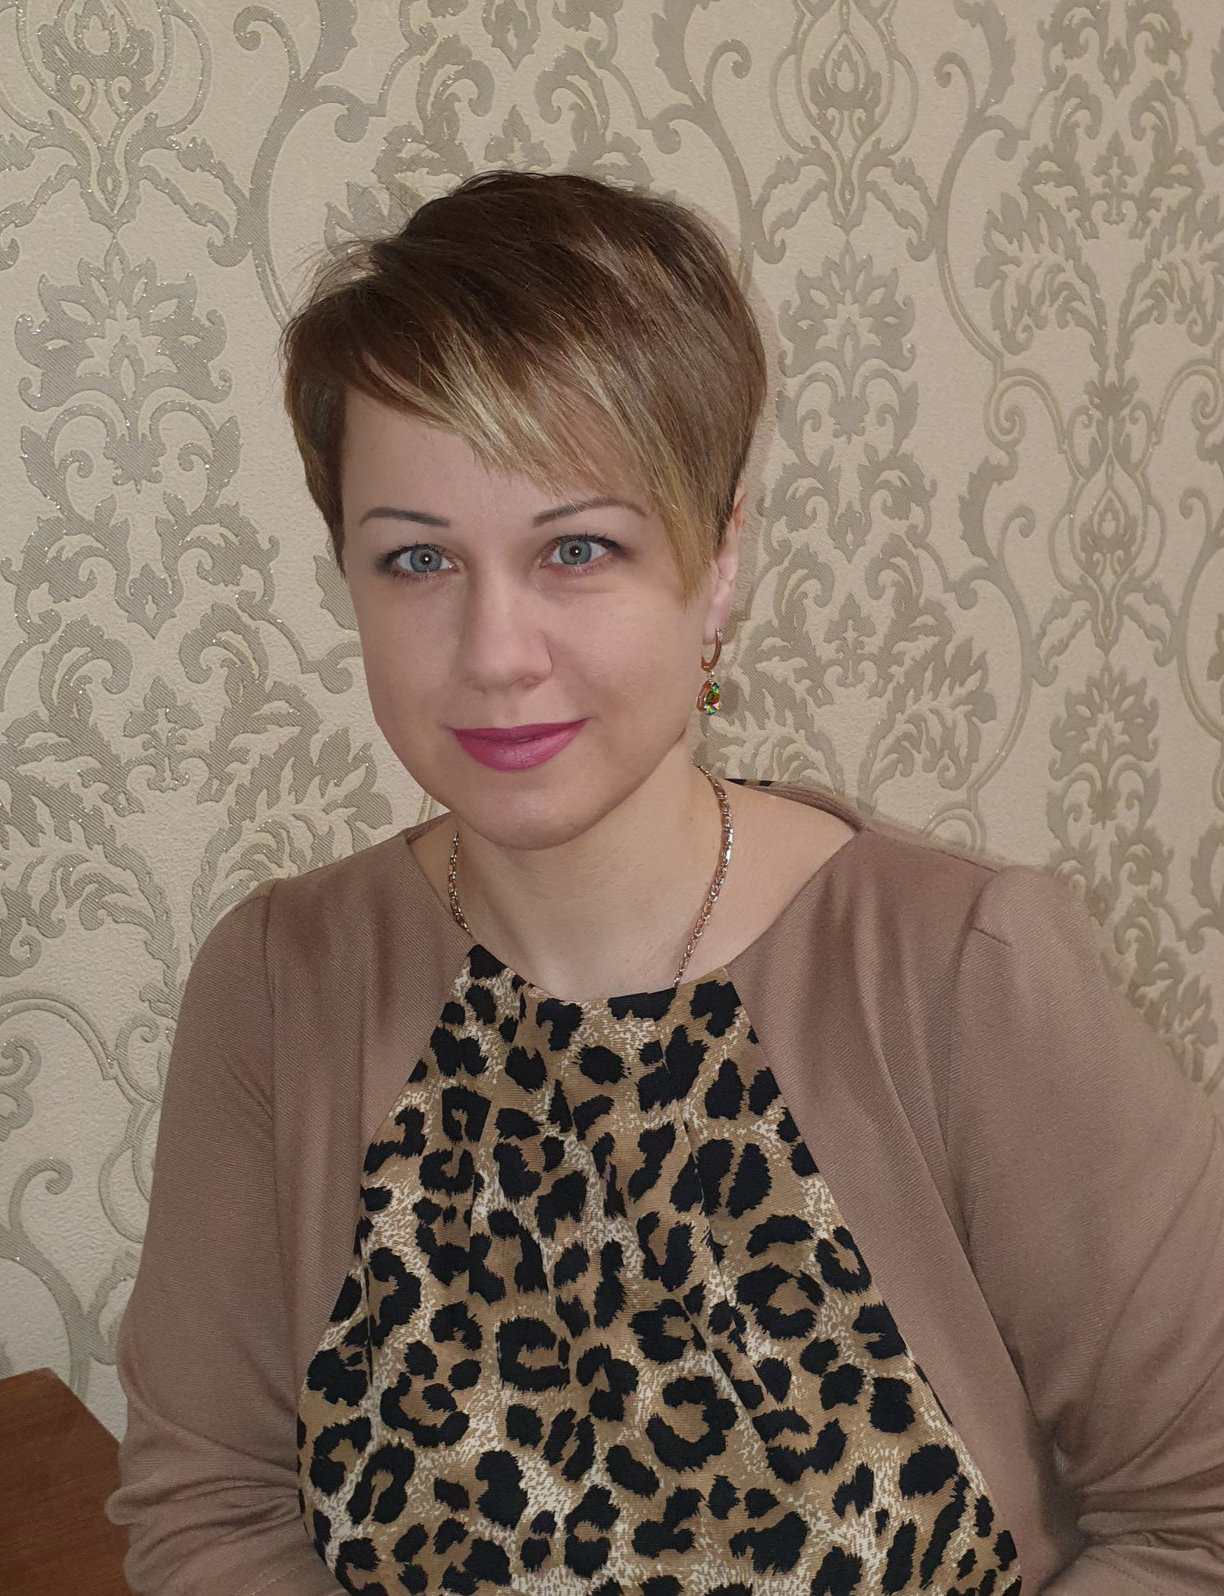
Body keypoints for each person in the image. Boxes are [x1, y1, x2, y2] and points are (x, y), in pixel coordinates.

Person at [106, 170, 1224, 1596]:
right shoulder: (278, 984)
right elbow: (211, 1512)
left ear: (720, 559)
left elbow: (1197, 1518)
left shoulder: (968, 970)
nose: (495, 652)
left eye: (578, 549)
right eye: (416, 559)